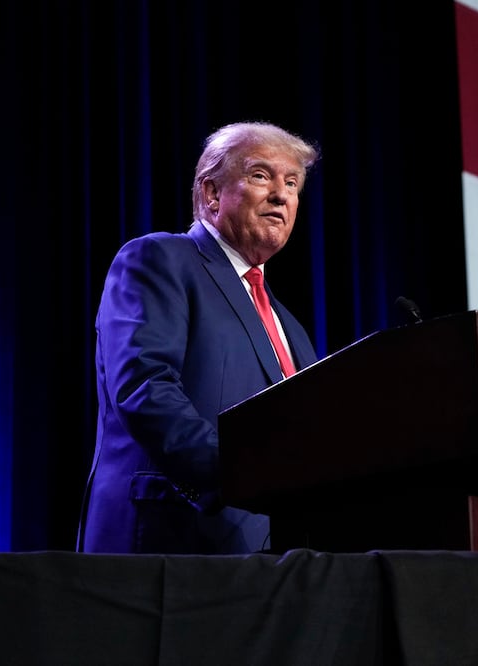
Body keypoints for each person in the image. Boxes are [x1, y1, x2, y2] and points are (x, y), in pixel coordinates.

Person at [77, 121, 321, 554]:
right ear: (211, 194)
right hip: (167, 546)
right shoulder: (160, 259)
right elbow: (145, 388)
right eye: (261, 175)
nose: (282, 195)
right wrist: (247, 476)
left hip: (275, 564)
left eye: (292, 183)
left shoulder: (292, 328)